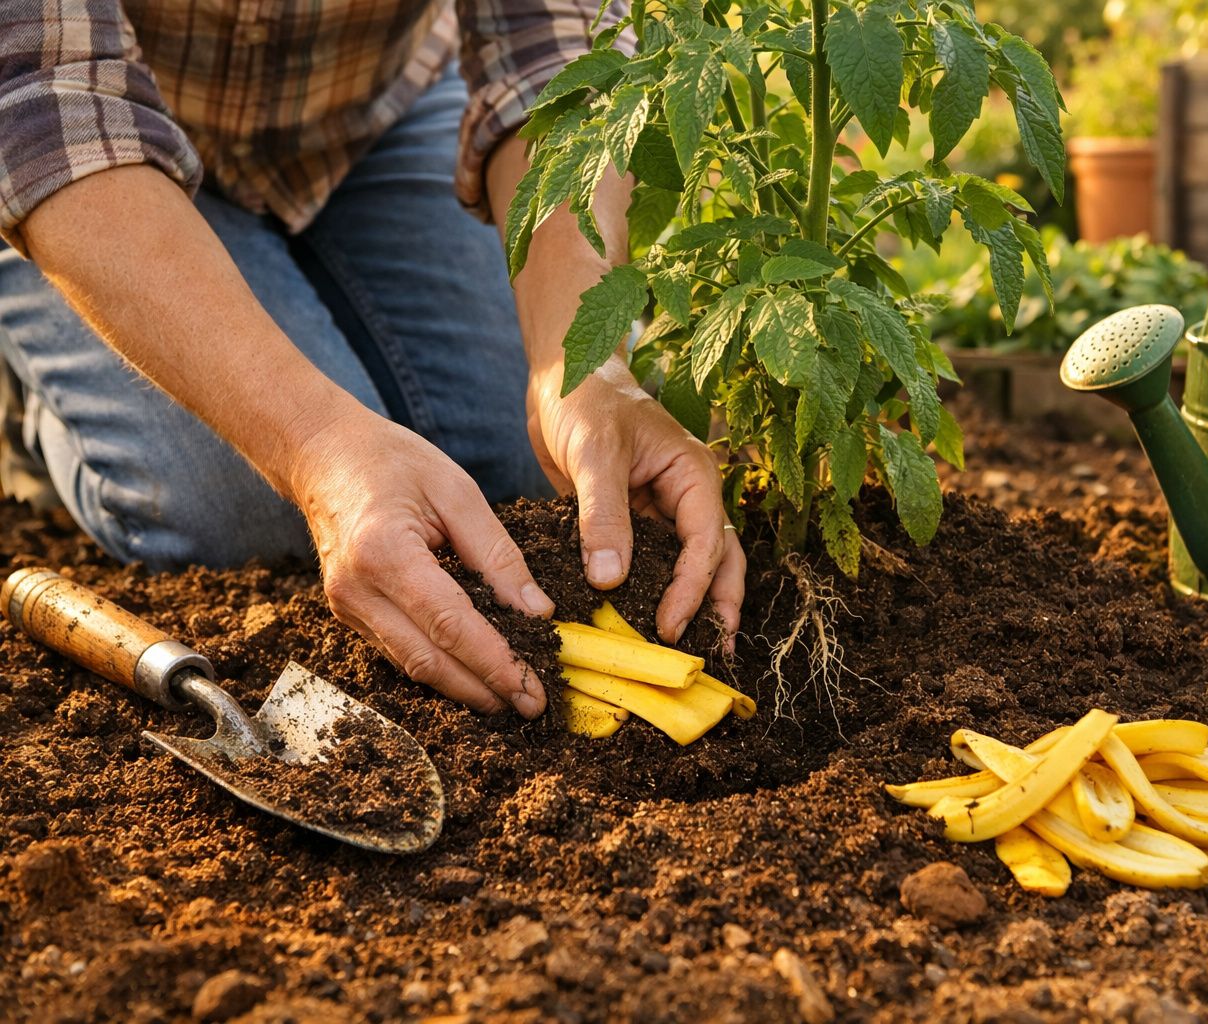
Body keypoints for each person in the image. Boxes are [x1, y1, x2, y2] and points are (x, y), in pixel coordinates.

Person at [0, 0, 746, 718]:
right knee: (254, 515)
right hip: (81, 156)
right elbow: (40, 98)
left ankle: (291, 296)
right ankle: (39, 393)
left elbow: (558, 51)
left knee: (521, 464)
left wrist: (581, 371)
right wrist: (319, 447)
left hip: (368, 118)